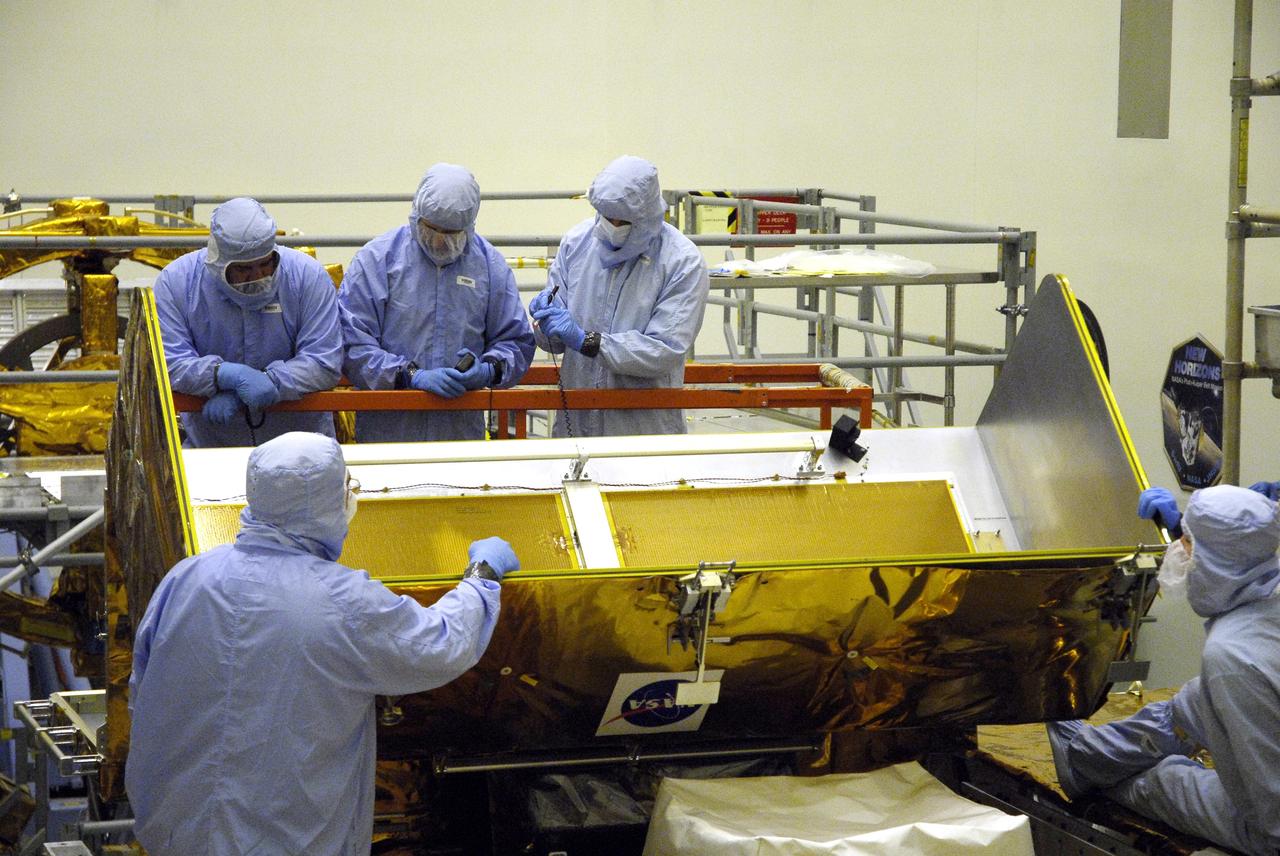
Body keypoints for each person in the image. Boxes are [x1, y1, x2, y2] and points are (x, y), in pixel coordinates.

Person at [126, 431, 518, 856]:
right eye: (346, 487)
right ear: (323, 503)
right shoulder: (343, 600)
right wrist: (482, 577)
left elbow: (141, 691)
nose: (351, 499)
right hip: (282, 840)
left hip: (177, 832)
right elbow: (438, 644)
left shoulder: (187, 578)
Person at [1047, 484, 1280, 855]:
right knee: (1181, 711)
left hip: (1269, 829)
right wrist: (1198, 530)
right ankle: (1085, 755)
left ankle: (1093, 771)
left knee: (1161, 782)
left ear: (1214, 558)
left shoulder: (1231, 656)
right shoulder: (1264, 601)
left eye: (1186, 541)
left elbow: (1273, 821)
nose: (1177, 550)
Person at [339, 164, 535, 442]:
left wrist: (490, 369)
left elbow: (515, 340)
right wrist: (408, 375)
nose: (441, 241)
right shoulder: (377, 261)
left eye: (452, 233)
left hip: (459, 433)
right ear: (416, 216)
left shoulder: (490, 267)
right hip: (388, 434)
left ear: (470, 226)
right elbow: (353, 344)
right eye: (432, 229)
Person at [528, 155, 710, 437]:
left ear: (648, 217)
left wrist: (588, 341)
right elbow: (554, 343)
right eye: (604, 216)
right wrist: (544, 324)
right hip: (576, 425)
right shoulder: (577, 244)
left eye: (621, 221)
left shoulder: (682, 262)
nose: (611, 226)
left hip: (642, 433)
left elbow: (664, 350)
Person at [154, 197, 344, 447]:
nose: (257, 277)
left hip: (302, 449)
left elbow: (324, 361)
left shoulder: (306, 277)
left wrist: (271, 381)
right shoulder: (176, 283)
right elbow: (169, 362)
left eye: (266, 264)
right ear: (218, 261)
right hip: (213, 444)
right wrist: (221, 375)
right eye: (244, 269)